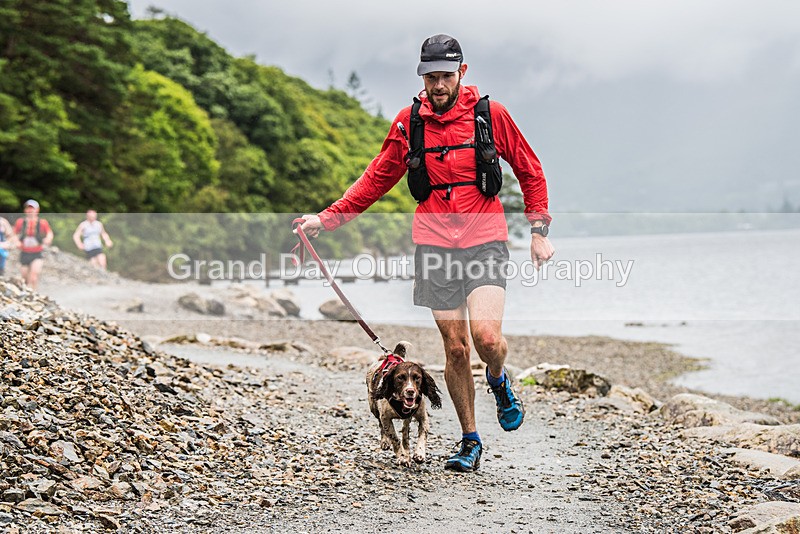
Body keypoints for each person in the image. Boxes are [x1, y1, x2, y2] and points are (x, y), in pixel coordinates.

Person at [298, 34, 555, 472]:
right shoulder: (408, 122)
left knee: (487, 338)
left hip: (486, 239)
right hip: (434, 247)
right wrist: (327, 218)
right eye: (430, 77)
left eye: (445, 76)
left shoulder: (490, 116)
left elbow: (529, 169)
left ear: (462, 73)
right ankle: (470, 440)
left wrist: (538, 228)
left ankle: (497, 378)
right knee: (455, 350)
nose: (437, 85)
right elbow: (375, 179)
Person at [14, 199, 54, 290]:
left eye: (32, 209)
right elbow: (14, 234)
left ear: (37, 210)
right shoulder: (20, 222)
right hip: (24, 252)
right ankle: (26, 292)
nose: (30, 211)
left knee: (34, 276)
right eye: (28, 209)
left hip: (37, 252)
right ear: (25, 210)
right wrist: (16, 241)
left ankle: (34, 294)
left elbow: (49, 233)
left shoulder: (42, 222)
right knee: (24, 277)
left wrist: (48, 239)